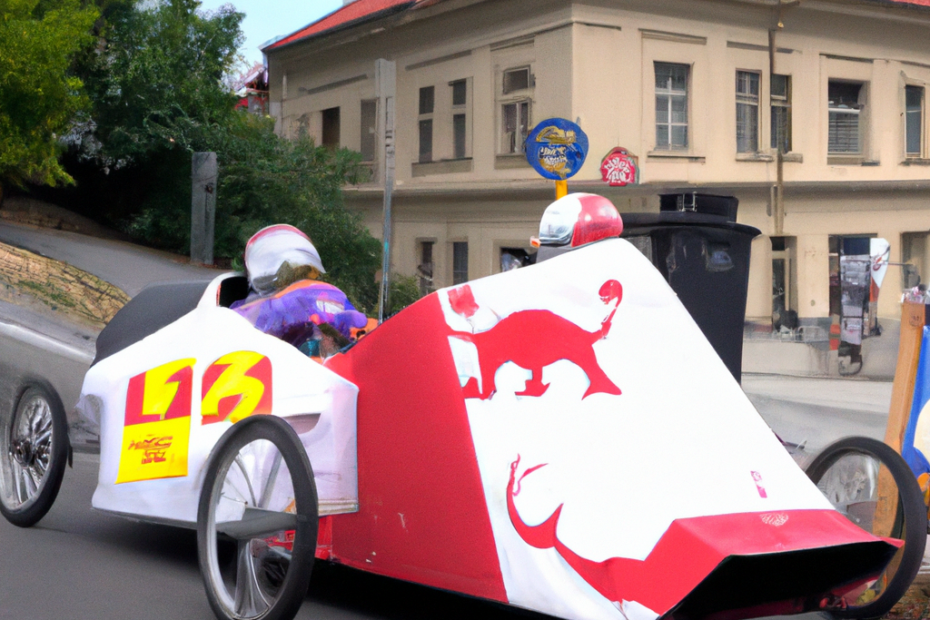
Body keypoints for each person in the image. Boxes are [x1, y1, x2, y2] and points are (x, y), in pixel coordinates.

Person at [230, 224, 368, 359]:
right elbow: (358, 331)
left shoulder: (269, 305)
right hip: (332, 371)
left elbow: (231, 334)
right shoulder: (335, 294)